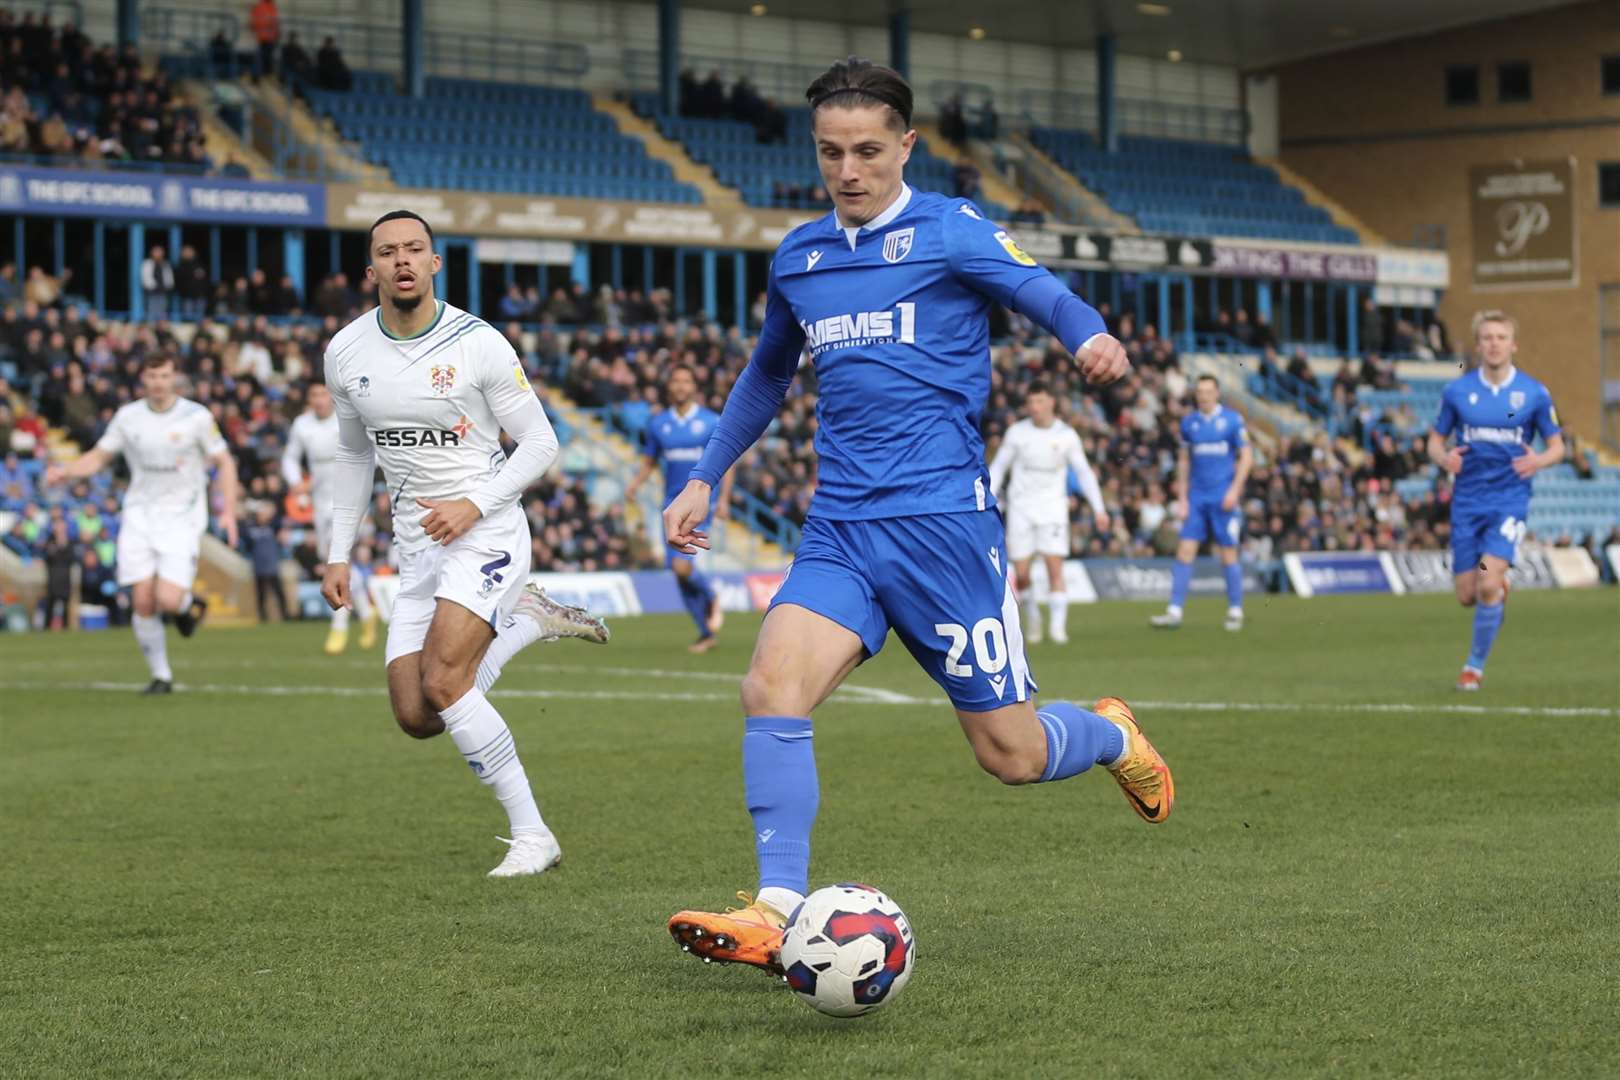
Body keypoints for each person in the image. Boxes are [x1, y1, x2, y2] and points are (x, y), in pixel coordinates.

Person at [661, 58, 1173, 975]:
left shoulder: (950, 229)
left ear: (905, 145)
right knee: (770, 689)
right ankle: (777, 909)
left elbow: (1041, 290)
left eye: (865, 151)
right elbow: (768, 373)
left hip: (944, 530)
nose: (847, 171)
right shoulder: (801, 258)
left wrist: (1089, 334)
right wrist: (706, 474)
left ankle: (1110, 735)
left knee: (1011, 756)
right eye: (830, 153)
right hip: (843, 531)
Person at [320, 210, 609, 878]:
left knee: (446, 680)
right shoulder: (346, 352)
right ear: (372, 270)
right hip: (417, 549)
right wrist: (339, 552)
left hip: (486, 531)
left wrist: (473, 503)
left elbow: (541, 443)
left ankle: (533, 835)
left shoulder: (478, 344)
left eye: (414, 250)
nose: (402, 261)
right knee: (417, 714)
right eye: (388, 252)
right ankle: (528, 619)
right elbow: (352, 454)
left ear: (434, 263)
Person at [44, 354, 239, 693]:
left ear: (174, 377)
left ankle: (188, 605)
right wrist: (67, 470)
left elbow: (224, 461)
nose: (158, 383)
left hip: (181, 516)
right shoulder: (128, 417)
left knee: (166, 598)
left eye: (164, 376)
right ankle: (161, 676)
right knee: (143, 601)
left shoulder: (196, 416)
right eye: (152, 376)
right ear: (143, 380)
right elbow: (99, 456)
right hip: (139, 514)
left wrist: (229, 511)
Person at [1426, 310, 1563, 691]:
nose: (1494, 343)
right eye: (1487, 337)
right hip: (1467, 502)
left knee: (1486, 582)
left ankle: (1473, 668)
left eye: (1501, 337)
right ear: (1478, 344)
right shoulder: (1457, 392)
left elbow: (1557, 447)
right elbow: (1435, 441)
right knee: (1468, 595)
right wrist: (1444, 457)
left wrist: (1537, 460)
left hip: (1509, 500)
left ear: (1513, 344)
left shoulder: (1534, 393)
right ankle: (1497, 591)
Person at [623, 363, 735, 653]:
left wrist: (723, 500)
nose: (681, 386)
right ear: (669, 387)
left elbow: (728, 461)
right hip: (671, 504)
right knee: (678, 572)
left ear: (694, 387)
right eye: (676, 381)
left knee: (681, 566)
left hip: (700, 503)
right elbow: (650, 460)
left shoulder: (711, 422)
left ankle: (711, 596)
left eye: (686, 381)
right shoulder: (659, 424)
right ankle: (706, 632)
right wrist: (635, 484)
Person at [987, 381, 1107, 645]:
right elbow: (999, 467)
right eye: (1031, 402)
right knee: (1022, 573)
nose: (1035, 407)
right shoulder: (1017, 433)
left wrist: (1099, 508)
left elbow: (1084, 472)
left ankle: (1057, 628)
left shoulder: (1066, 435)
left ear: (1051, 402)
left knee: (1055, 567)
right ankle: (1033, 619)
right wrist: (990, 498)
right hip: (1021, 508)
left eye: (1040, 401)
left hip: (1052, 508)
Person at [282, 378, 380, 653]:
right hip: (320, 501)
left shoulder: (347, 418)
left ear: (332, 396)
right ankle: (365, 610)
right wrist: (295, 482)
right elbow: (290, 458)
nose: (319, 400)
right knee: (335, 562)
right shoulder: (302, 425)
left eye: (323, 394)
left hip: (349, 498)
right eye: (313, 394)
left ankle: (339, 625)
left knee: (337, 560)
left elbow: (374, 451)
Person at [1151, 375, 1252, 632]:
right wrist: (1183, 497)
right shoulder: (1189, 423)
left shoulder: (1232, 420)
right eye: (1200, 391)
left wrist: (1234, 490)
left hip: (1223, 496)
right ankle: (1174, 611)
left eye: (1208, 391)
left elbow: (1247, 457)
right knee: (1184, 551)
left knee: (1227, 553)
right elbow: (1184, 461)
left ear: (1217, 393)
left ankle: (1235, 610)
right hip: (1197, 497)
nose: (1203, 395)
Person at [244, 500, 290, 622]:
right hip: (259, 566)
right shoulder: (251, 527)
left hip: (272, 565)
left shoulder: (273, 526)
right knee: (261, 594)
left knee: (278, 592)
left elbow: (280, 520)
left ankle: (285, 614)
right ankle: (263, 616)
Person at [140, 245, 175, 319]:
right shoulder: (147, 263)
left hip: (163, 290)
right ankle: (151, 324)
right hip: (152, 290)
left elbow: (169, 276)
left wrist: (169, 286)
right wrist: (151, 286)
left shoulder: (165, 263)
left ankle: (161, 325)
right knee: (152, 309)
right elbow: (146, 276)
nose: (158, 254)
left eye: (160, 252)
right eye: (156, 252)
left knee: (163, 310)